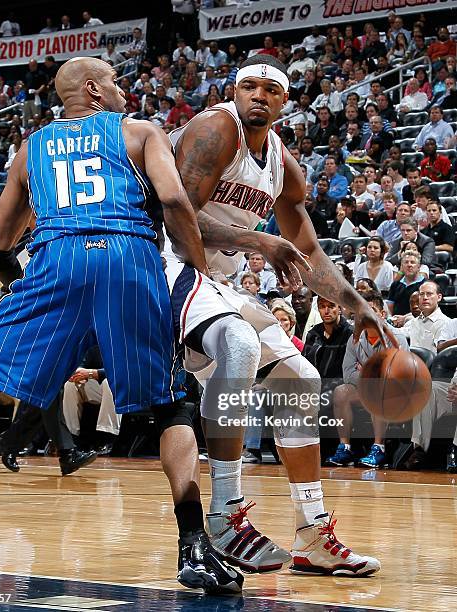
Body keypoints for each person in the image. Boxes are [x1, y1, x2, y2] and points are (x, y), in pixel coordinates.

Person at [0, 57, 242, 595]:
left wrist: (21, 281)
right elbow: (176, 200)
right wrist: (198, 268)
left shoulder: (29, 147)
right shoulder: (138, 131)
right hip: (127, 259)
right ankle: (193, 546)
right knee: (169, 401)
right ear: (92, 89)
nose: (121, 89)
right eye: (113, 81)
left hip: (54, 259)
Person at [165, 54, 394, 576]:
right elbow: (176, 216)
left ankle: (312, 532)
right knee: (241, 345)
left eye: (270, 89)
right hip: (167, 263)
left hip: (215, 279)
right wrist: (258, 239)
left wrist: (359, 307)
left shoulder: (281, 162)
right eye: (249, 86)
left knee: (300, 377)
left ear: (285, 101)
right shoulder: (215, 127)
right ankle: (223, 515)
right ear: (234, 91)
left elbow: (307, 249)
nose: (258, 96)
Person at [327, 292, 408, 468]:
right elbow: (348, 373)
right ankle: (345, 447)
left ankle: (379, 448)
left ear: (382, 314)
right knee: (341, 392)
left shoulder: (397, 338)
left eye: (371, 311)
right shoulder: (355, 338)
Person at [401, 281, 448, 353]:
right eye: (422, 294)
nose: (425, 297)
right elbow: (396, 333)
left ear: (439, 297)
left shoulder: (446, 323)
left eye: (429, 294)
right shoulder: (413, 322)